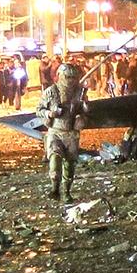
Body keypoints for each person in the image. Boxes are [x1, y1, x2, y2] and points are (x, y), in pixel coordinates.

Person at [36, 63, 90, 202]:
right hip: (55, 131)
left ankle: (66, 192)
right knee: (54, 158)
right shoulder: (51, 91)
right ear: (59, 76)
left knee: (70, 164)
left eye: (73, 77)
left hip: (71, 133)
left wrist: (83, 108)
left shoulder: (79, 92)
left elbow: (85, 110)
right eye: (68, 77)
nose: (70, 80)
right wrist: (49, 113)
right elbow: (39, 110)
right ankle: (54, 187)